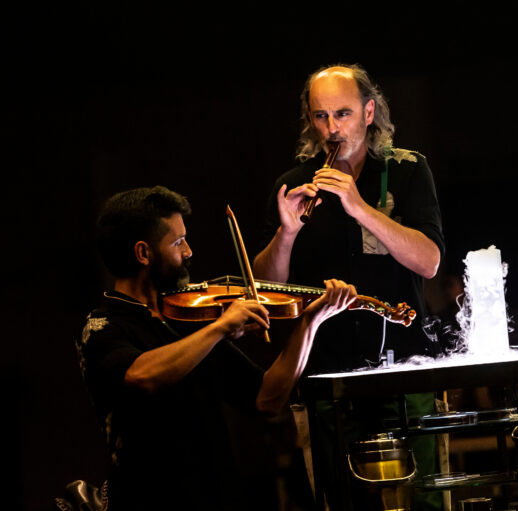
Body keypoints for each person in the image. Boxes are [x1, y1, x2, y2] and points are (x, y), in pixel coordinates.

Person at [77, 186, 357, 511]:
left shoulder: (188, 321)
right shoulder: (102, 326)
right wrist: (221, 328)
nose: (189, 251)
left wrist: (310, 324)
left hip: (216, 495)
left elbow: (267, 398)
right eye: (178, 242)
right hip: (148, 498)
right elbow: (142, 374)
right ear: (143, 253)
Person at [253, 64, 445, 509]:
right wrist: (285, 234)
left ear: (369, 112)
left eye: (342, 114)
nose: (331, 128)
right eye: (320, 116)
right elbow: (267, 287)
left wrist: (358, 206)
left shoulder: (407, 169)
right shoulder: (292, 183)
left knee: (423, 502)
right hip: (327, 373)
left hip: (406, 366)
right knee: (340, 501)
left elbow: (430, 262)